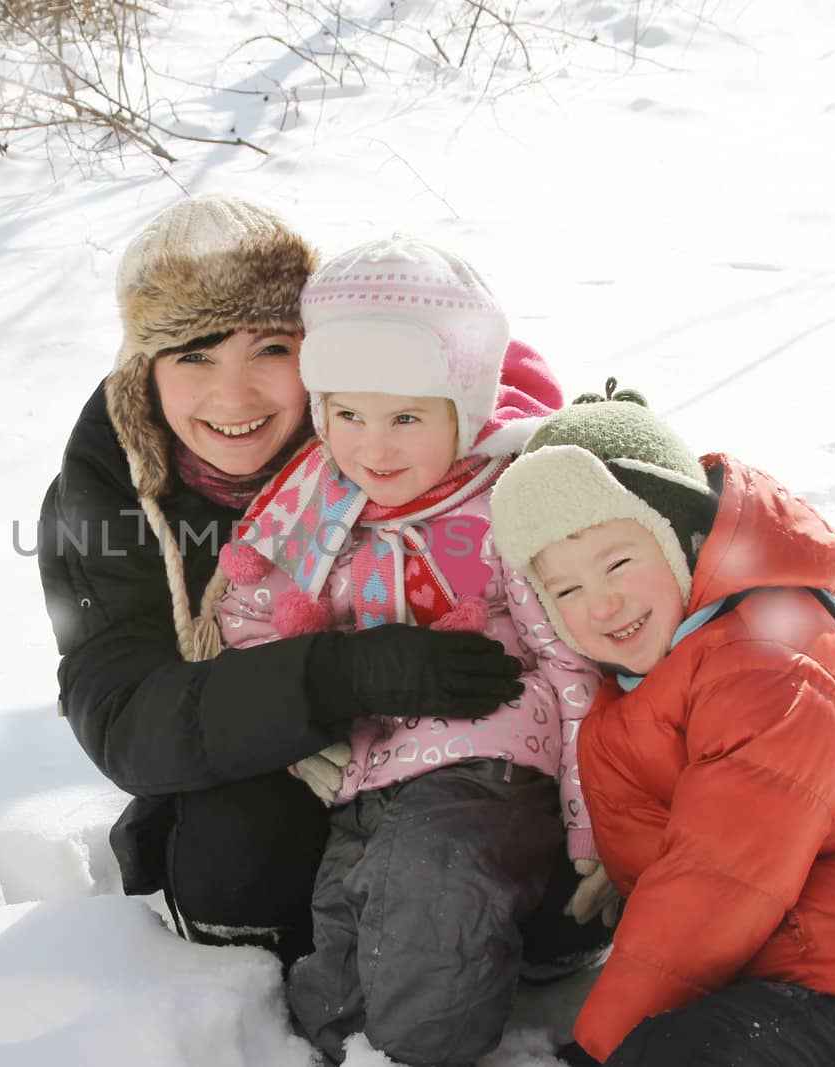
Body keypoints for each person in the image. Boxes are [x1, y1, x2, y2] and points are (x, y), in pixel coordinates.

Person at [35, 195, 525, 964]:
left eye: (269, 348)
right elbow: (124, 709)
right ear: (145, 372)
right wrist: (340, 677)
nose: (235, 398)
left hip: (461, 746)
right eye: (194, 354)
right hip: (255, 766)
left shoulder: (387, 430)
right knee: (240, 862)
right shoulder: (110, 492)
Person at [209, 235, 612, 1066]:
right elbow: (248, 614)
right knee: (342, 942)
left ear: (462, 411)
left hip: (484, 766)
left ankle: (412, 1056)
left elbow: (573, 666)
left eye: (405, 417)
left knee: (435, 912)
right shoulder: (318, 499)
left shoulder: (504, 504)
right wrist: (303, 724)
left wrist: (590, 832)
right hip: (363, 774)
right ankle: (335, 1046)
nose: (374, 447)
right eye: (348, 414)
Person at [488, 383, 835, 1067]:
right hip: (756, 969)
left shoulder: (770, 659)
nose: (600, 603)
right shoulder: (647, 674)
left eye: (619, 562)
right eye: (563, 589)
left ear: (684, 540)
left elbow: (718, 876)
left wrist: (601, 1047)